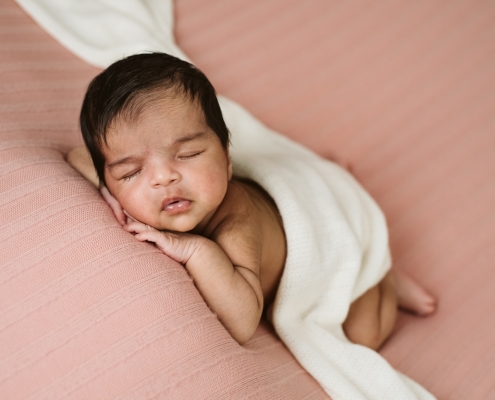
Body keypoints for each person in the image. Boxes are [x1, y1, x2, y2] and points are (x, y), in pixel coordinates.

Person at [67, 52, 436, 347]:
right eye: (131, 172)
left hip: (328, 238)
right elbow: (79, 157)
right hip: (301, 201)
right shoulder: (126, 183)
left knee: (363, 335)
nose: (163, 177)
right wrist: (112, 195)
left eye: (189, 153)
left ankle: (380, 271)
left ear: (227, 160)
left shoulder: (236, 225)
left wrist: (197, 251)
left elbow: (243, 320)